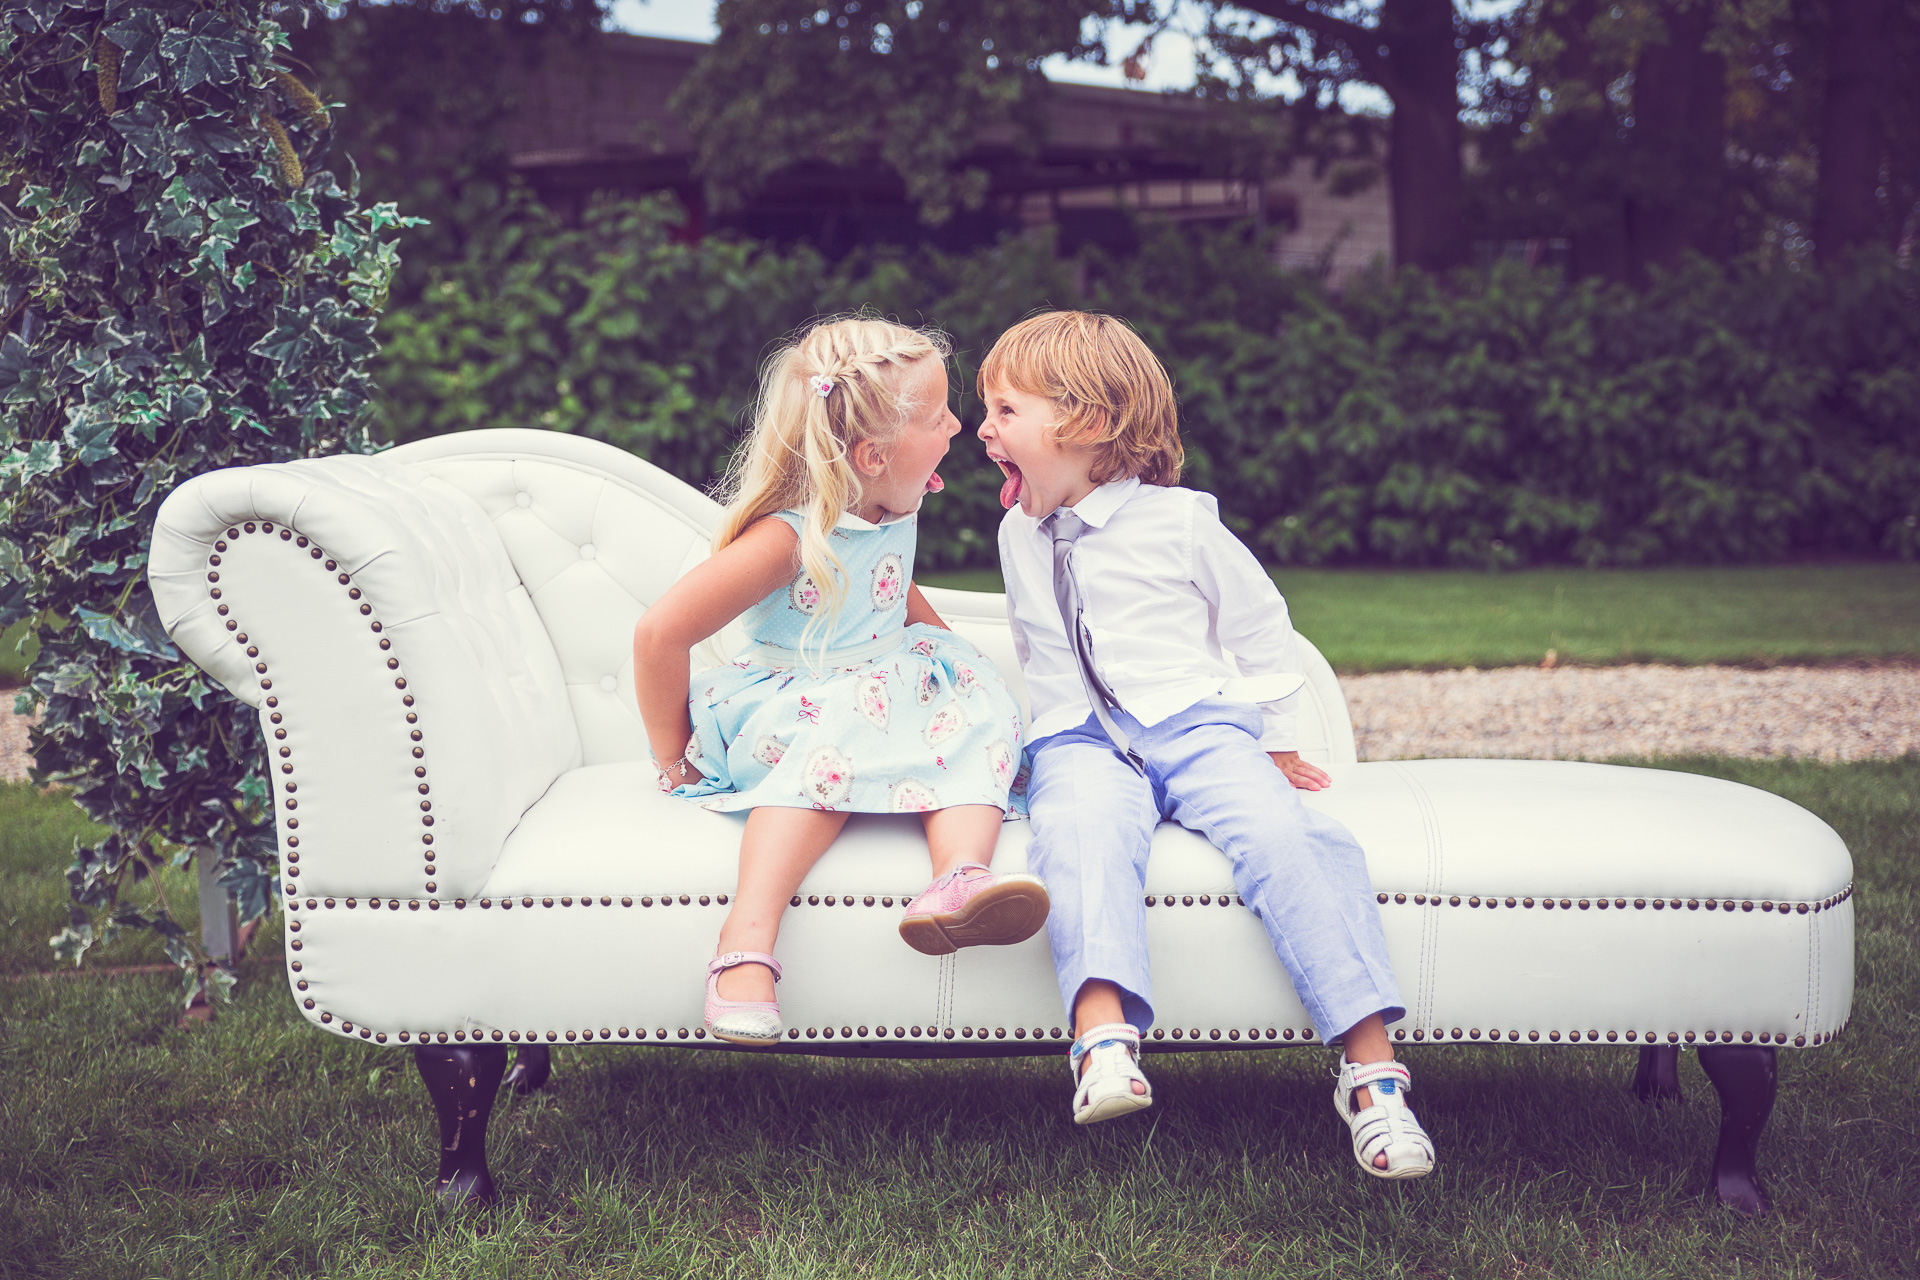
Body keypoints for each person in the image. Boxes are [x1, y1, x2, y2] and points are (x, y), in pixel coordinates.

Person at [976, 310, 1433, 1180]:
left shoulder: (1182, 522)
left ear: (1086, 423)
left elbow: (1263, 627)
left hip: (1196, 726)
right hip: (1082, 740)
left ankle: (1373, 1078)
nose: (984, 430)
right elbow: (1041, 653)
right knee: (1076, 837)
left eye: (1004, 411)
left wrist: (1275, 738)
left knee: (1288, 839)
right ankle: (1102, 1039)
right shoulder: (1016, 533)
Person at [632, 315, 1046, 1048]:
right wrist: (674, 755)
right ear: (872, 453)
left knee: (975, 722)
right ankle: (744, 948)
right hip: (793, 707)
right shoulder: (787, 539)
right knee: (833, 743)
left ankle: (960, 879)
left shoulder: (891, 503)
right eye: (940, 414)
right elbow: (660, 633)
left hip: (879, 684)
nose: (959, 423)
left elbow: (888, 588)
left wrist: (955, 667)